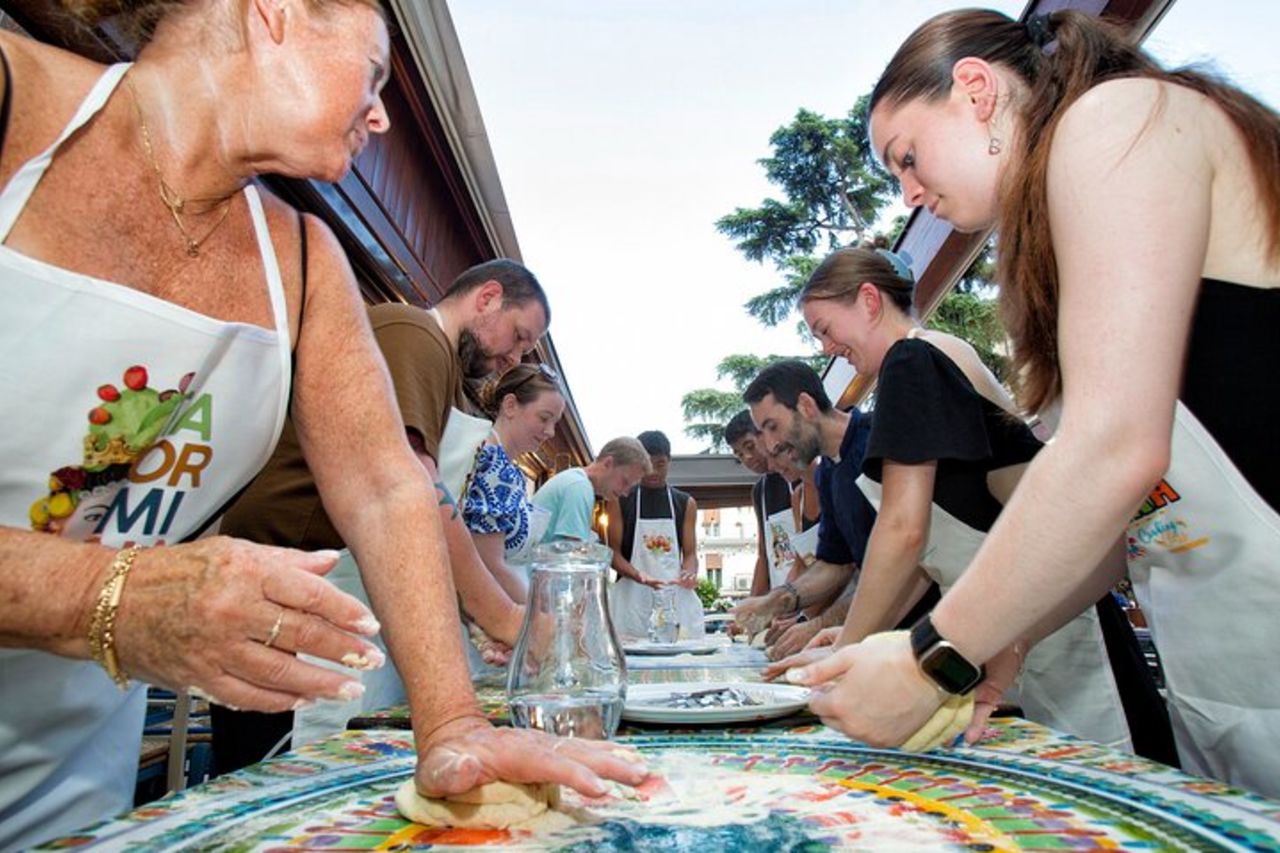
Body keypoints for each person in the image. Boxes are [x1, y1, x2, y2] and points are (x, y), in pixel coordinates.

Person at [0, 4, 643, 846]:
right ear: (274, 10)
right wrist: (107, 594)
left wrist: (451, 724)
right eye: (374, 75)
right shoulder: (16, 101)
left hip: (73, 764)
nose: (380, 113)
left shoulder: (304, 259)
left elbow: (387, 489)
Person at [786, 8, 1280, 795]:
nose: (911, 192)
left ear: (975, 90)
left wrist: (934, 655)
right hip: (1222, 678)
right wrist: (1006, 636)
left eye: (906, 157)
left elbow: (1115, 448)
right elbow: (1126, 534)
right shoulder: (1057, 232)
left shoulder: (1121, 118)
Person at [789, 246, 1173, 760]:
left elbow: (904, 531)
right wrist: (863, 634)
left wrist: (844, 657)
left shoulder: (912, 358)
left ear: (868, 300)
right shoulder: (934, 355)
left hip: (1059, 626)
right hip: (1015, 623)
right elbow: (926, 562)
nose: (830, 347)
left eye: (824, 328)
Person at [212, 260, 547, 770]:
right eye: (519, 336)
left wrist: (469, 618)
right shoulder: (413, 333)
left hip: (340, 596)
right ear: (487, 297)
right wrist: (499, 615)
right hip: (290, 592)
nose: (514, 357)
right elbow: (411, 489)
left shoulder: (450, 377)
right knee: (273, 787)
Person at [731, 362, 939, 660]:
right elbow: (835, 564)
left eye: (773, 427)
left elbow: (912, 562)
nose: (772, 445)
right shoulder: (828, 473)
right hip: (886, 644)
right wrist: (776, 600)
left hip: (937, 634)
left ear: (805, 405)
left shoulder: (881, 440)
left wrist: (818, 625)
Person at [463, 363, 567, 603]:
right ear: (510, 405)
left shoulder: (503, 465)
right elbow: (490, 565)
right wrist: (539, 618)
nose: (550, 432)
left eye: (555, 422)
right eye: (544, 418)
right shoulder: (494, 464)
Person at [606, 431, 705, 640]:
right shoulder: (620, 499)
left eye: (660, 464)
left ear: (669, 461)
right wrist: (639, 575)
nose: (653, 471)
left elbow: (690, 554)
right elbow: (612, 553)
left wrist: (689, 573)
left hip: (672, 596)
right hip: (630, 599)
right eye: (648, 464)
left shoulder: (685, 503)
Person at [723, 411, 799, 596]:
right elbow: (765, 555)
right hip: (783, 599)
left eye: (750, 446)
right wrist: (752, 605)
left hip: (809, 593)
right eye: (739, 454)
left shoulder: (800, 474)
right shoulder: (760, 492)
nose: (747, 457)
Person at [531, 437, 651, 543]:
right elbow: (571, 556)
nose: (625, 493)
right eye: (625, 481)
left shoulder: (574, 480)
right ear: (608, 463)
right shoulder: (580, 487)